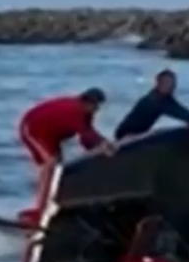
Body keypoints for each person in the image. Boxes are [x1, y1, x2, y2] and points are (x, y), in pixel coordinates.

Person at [18, 88, 116, 225]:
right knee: (50, 166)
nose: (97, 109)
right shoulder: (74, 111)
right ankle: (38, 211)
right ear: (86, 103)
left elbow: (86, 137)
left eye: (98, 106)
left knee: (58, 169)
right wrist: (104, 145)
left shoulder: (85, 113)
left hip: (51, 135)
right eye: (95, 106)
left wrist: (102, 149)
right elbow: (87, 135)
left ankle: (50, 205)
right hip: (33, 129)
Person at [114, 69, 189, 140]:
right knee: (160, 133)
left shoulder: (165, 98)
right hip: (126, 136)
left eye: (173, 83)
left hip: (139, 135)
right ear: (158, 83)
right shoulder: (152, 100)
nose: (171, 86)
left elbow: (180, 109)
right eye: (167, 83)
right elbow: (175, 112)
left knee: (162, 132)